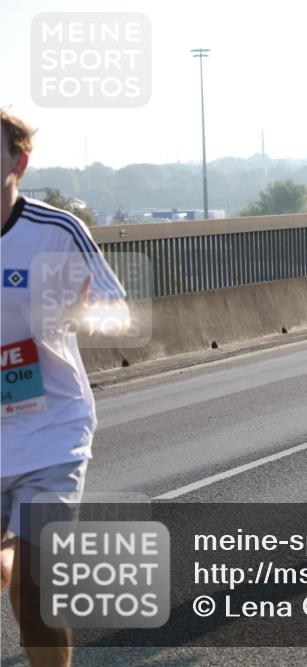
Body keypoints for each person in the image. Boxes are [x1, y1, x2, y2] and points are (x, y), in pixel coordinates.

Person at [1, 110, 129, 666]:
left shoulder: (55, 231)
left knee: (36, 594)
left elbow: (117, 312)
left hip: (52, 429)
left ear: (18, 162)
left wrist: (78, 314)